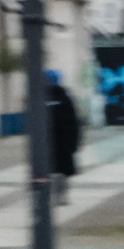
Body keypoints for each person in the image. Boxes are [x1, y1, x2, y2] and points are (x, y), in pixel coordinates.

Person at [45, 69, 82, 203]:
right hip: (54, 142)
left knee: (59, 171)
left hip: (61, 142)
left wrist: (74, 142)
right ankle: (57, 195)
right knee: (55, 172)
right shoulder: (47, 97)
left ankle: (60, 195)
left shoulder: (63, 98)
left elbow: (74, 122)